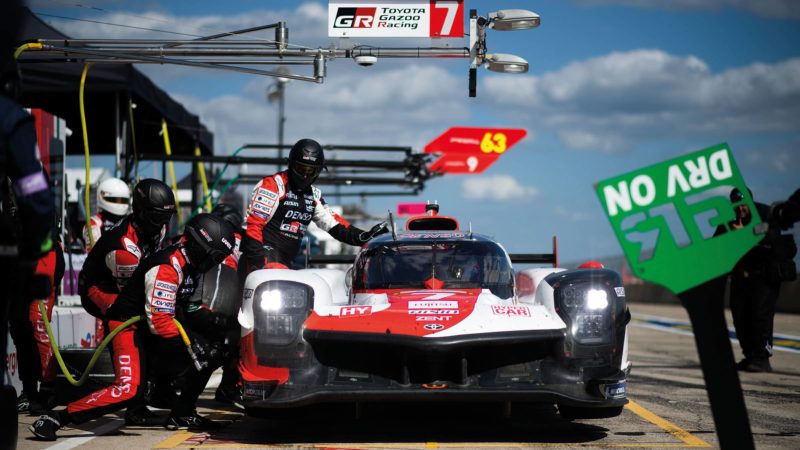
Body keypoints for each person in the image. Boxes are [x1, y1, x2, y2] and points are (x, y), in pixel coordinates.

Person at [29, 214, 235, 440]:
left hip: (150, 328)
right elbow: (160, 322)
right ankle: (57, 418)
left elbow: (190, 308)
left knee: (217, 348)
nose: (216, 263)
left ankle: (181, 411)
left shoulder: (193, 267)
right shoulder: (169, 266)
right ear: (199, 246)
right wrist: (193, 345)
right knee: (127, 390)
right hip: (127, 327)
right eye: (215, 256)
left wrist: (223, 324)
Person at [76, 178, 175, 424]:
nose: (163, 223)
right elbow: (132, 296)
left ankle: (151, 390)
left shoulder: (158, 229)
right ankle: (132, 396)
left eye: (167, 216)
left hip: (128, 280)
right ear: (141, 212)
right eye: (157, 216)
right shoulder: (123, 247)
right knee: (133, 323)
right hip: (101, 289)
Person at [1, 1, 55, 446]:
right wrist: (31, 255)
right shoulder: (9, 118)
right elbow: (39, 202)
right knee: (19, 325)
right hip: (6, 257)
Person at [240, 138, 388, 276]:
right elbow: (253, 225)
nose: (305, 175)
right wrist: (259, 261)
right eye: (301, 168)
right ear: (290, 164)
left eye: (311, 171)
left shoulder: (314, 195)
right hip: (259, 260)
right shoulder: (273, 185)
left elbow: (334, 224)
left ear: (318, 171)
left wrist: (363, 237)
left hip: (285, 263)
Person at [725, 188, 798, 373]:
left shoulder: (766, 214)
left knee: (760, 317)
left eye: (743, 205)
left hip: (764, 277)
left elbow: (772, 239)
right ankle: (750, 355)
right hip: (741, 278)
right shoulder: (728, 220)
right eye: (736, 205)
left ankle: (762, 358)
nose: (740, 209)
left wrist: (744, 235)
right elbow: (715, 247)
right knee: (740, 317)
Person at [9, 242, 65, 415]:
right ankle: (29, 391)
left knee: (38, 323)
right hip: (18, 259)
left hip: (45, 253)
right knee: (19, 328)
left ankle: (49, 389)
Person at [210, 203, 245, 407]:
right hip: (224, 301)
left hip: (225, 301)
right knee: (231, 347)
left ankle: (228, 387)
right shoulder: (242, 241)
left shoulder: (237, 242)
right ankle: (228, 387)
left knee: (230, 347)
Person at [83, 177, 131, 252]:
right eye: (114, 199)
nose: (119, 204)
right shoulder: (94, 223)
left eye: (123, 200)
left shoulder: (130, 221)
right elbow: (94, 253)